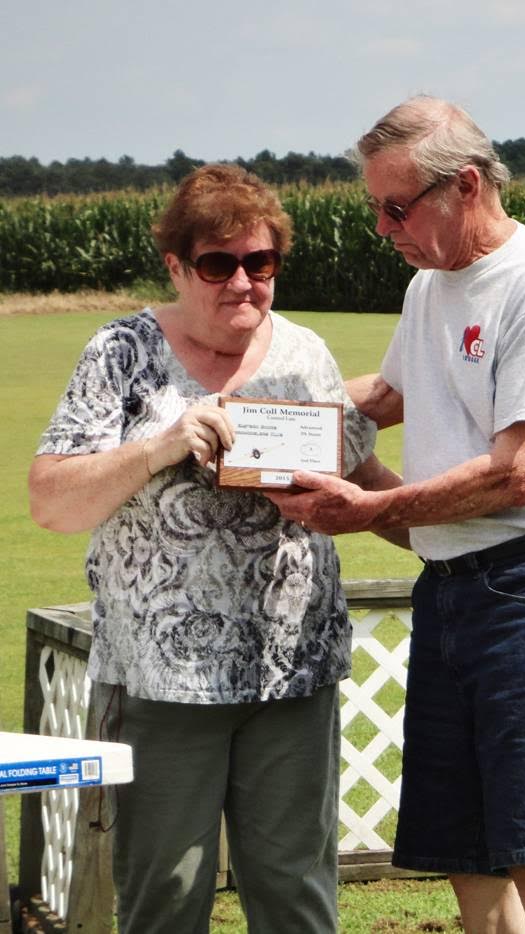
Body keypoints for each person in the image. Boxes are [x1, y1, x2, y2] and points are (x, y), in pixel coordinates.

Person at [266, 96, 525, 934]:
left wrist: (368, 508)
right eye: (375, 208)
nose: (381, 228)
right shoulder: (430, 286)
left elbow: (518, 473)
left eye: (396, 208)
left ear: (464, 185)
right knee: (468, 858)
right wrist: (259, 418)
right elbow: (389, 396)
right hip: (452, 588)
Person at [28, 163, 401, 934]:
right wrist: (161, 446)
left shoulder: (305, 354)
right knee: (165, 899)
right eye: (217, 264)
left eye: (260, 262)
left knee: (297, 898)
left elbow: (362, 477)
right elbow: (51, 501)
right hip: (162, 683)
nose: (242, 282)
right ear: (175, 266)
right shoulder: (121, 353)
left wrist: (464, 534)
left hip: (291, 676)